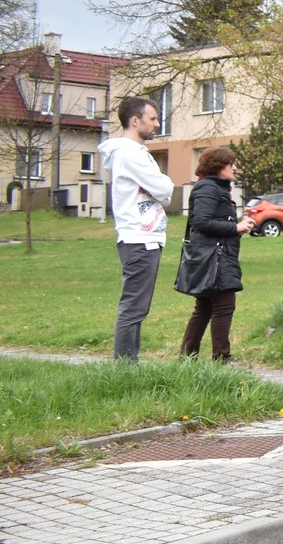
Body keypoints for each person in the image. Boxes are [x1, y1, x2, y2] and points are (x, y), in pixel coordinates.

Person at [98, 96, 173, 361]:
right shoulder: (129, 153)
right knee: (134, 306)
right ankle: (125, 366)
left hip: (146, 237)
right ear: (134, 120)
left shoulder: (135, 153)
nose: (157, 124)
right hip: (139, 239)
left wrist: (160, 187)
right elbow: (165, 189)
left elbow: (162, 191)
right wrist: (161, 185)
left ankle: (128, 364)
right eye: (152, 118)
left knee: (138, 306)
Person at [175, 146, 254, 361]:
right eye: (231, 164)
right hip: (214, 260)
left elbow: (213, 222)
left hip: (218, 256)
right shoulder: (208, 189)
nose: (235, 168)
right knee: (224, 306)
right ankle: (221, 358)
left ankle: (187, 358)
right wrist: (235, 227)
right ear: (217, 166)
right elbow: (201, 222)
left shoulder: (216, 188)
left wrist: (238, 228)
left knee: (204, 308)